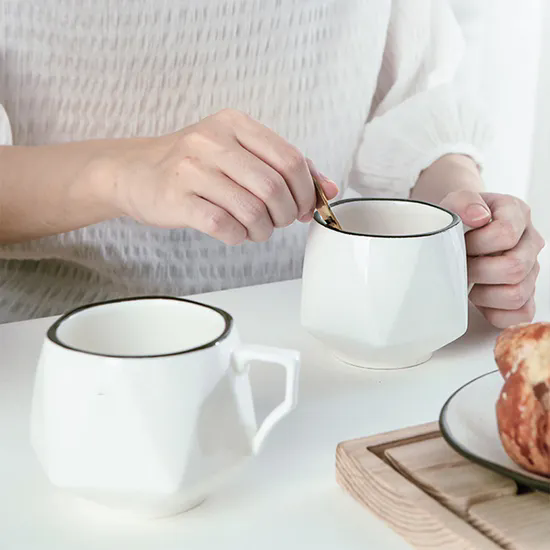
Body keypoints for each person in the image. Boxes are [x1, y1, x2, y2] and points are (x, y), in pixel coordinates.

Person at [0, 0, 544, 327]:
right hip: (48, 351)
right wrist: (119, 172)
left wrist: (461, 215)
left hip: (315, 347)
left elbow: (413, 97)